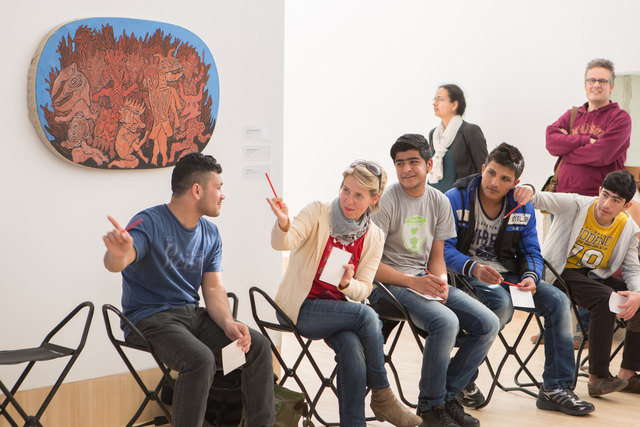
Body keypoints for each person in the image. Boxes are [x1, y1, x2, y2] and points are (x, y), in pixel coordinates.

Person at [102, 152, 275, 427]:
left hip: (191, 316)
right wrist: (117, 254)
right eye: (218, 187)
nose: (222, 195)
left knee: (258, 346)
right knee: (201, 360)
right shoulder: (149, 222)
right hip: (150, 319)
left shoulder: (210, 232)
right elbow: (120, 259)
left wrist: (229, 323)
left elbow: (214, 287)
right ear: (197, 190)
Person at [443, 143, 595, 416]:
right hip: (466, 276)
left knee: (558, 300)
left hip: (509, 275)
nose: (494, 182)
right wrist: (474, 267)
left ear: (516, 183)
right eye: (491, 173)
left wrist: (531, 276)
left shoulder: (521, 205)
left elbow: (531, 251)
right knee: (501, 304)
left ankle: (555, 389)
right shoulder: (456, 197)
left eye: (504, 179)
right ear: (482, 169)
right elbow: (442, 248)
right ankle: (459, 380)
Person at [267, 160, 421, 427]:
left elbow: (365, 287)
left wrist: (347, 285)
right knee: (366, 316)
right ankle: (383, 396)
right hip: (300, 308)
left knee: (352, 349)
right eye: (346, 190)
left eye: (359, 195)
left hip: (338, 311)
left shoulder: (373, 236)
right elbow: (286, 241)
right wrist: (283, 224)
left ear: (374, 199)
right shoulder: (317, 212)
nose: (348, 199)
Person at [367, 134, 500, 427]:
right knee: (446, 322)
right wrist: (414, 283)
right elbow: (370, 266)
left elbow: (436, 256)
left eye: (413, 162)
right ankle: (430, 408)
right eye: (399, 163)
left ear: (429, 164)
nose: (406, 170)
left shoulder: (439, 201)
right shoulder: (386, 201)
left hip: (421, 280)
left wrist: (440, 281)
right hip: (387, 286)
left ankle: (446, 398)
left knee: (488, 323)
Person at [521, 170, 640, 397]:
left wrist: (637, 294)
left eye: (616, 200)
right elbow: (539, 197)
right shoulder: (576, 205)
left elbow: (632, 269)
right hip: (559, 272)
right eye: (605, 195)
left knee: (636, 299)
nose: (606, 203)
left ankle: (628, 373)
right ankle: (598, 378)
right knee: (606, 299)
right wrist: (527, 188)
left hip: (589, 276)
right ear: (599, 191)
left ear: (626, 206)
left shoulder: (627, 227)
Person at [546, 58, 631, 197]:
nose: (596, 85)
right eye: (592, 80)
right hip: (561, 196)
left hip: (599, 202)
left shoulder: (620, 118)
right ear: (586, 85)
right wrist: (585, 141)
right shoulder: (572, 114)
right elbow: (551, 142)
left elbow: (602, 155)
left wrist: (566, 148)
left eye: (602, 81)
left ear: (611, 87)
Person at [428, 84, 488, 193]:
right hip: (435, 199)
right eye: (434, 99)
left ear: (454, 104)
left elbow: (484, 170)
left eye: (440, 99)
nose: (434, 103)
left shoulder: (470, 131)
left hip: (460, 201)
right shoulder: (434, 134)